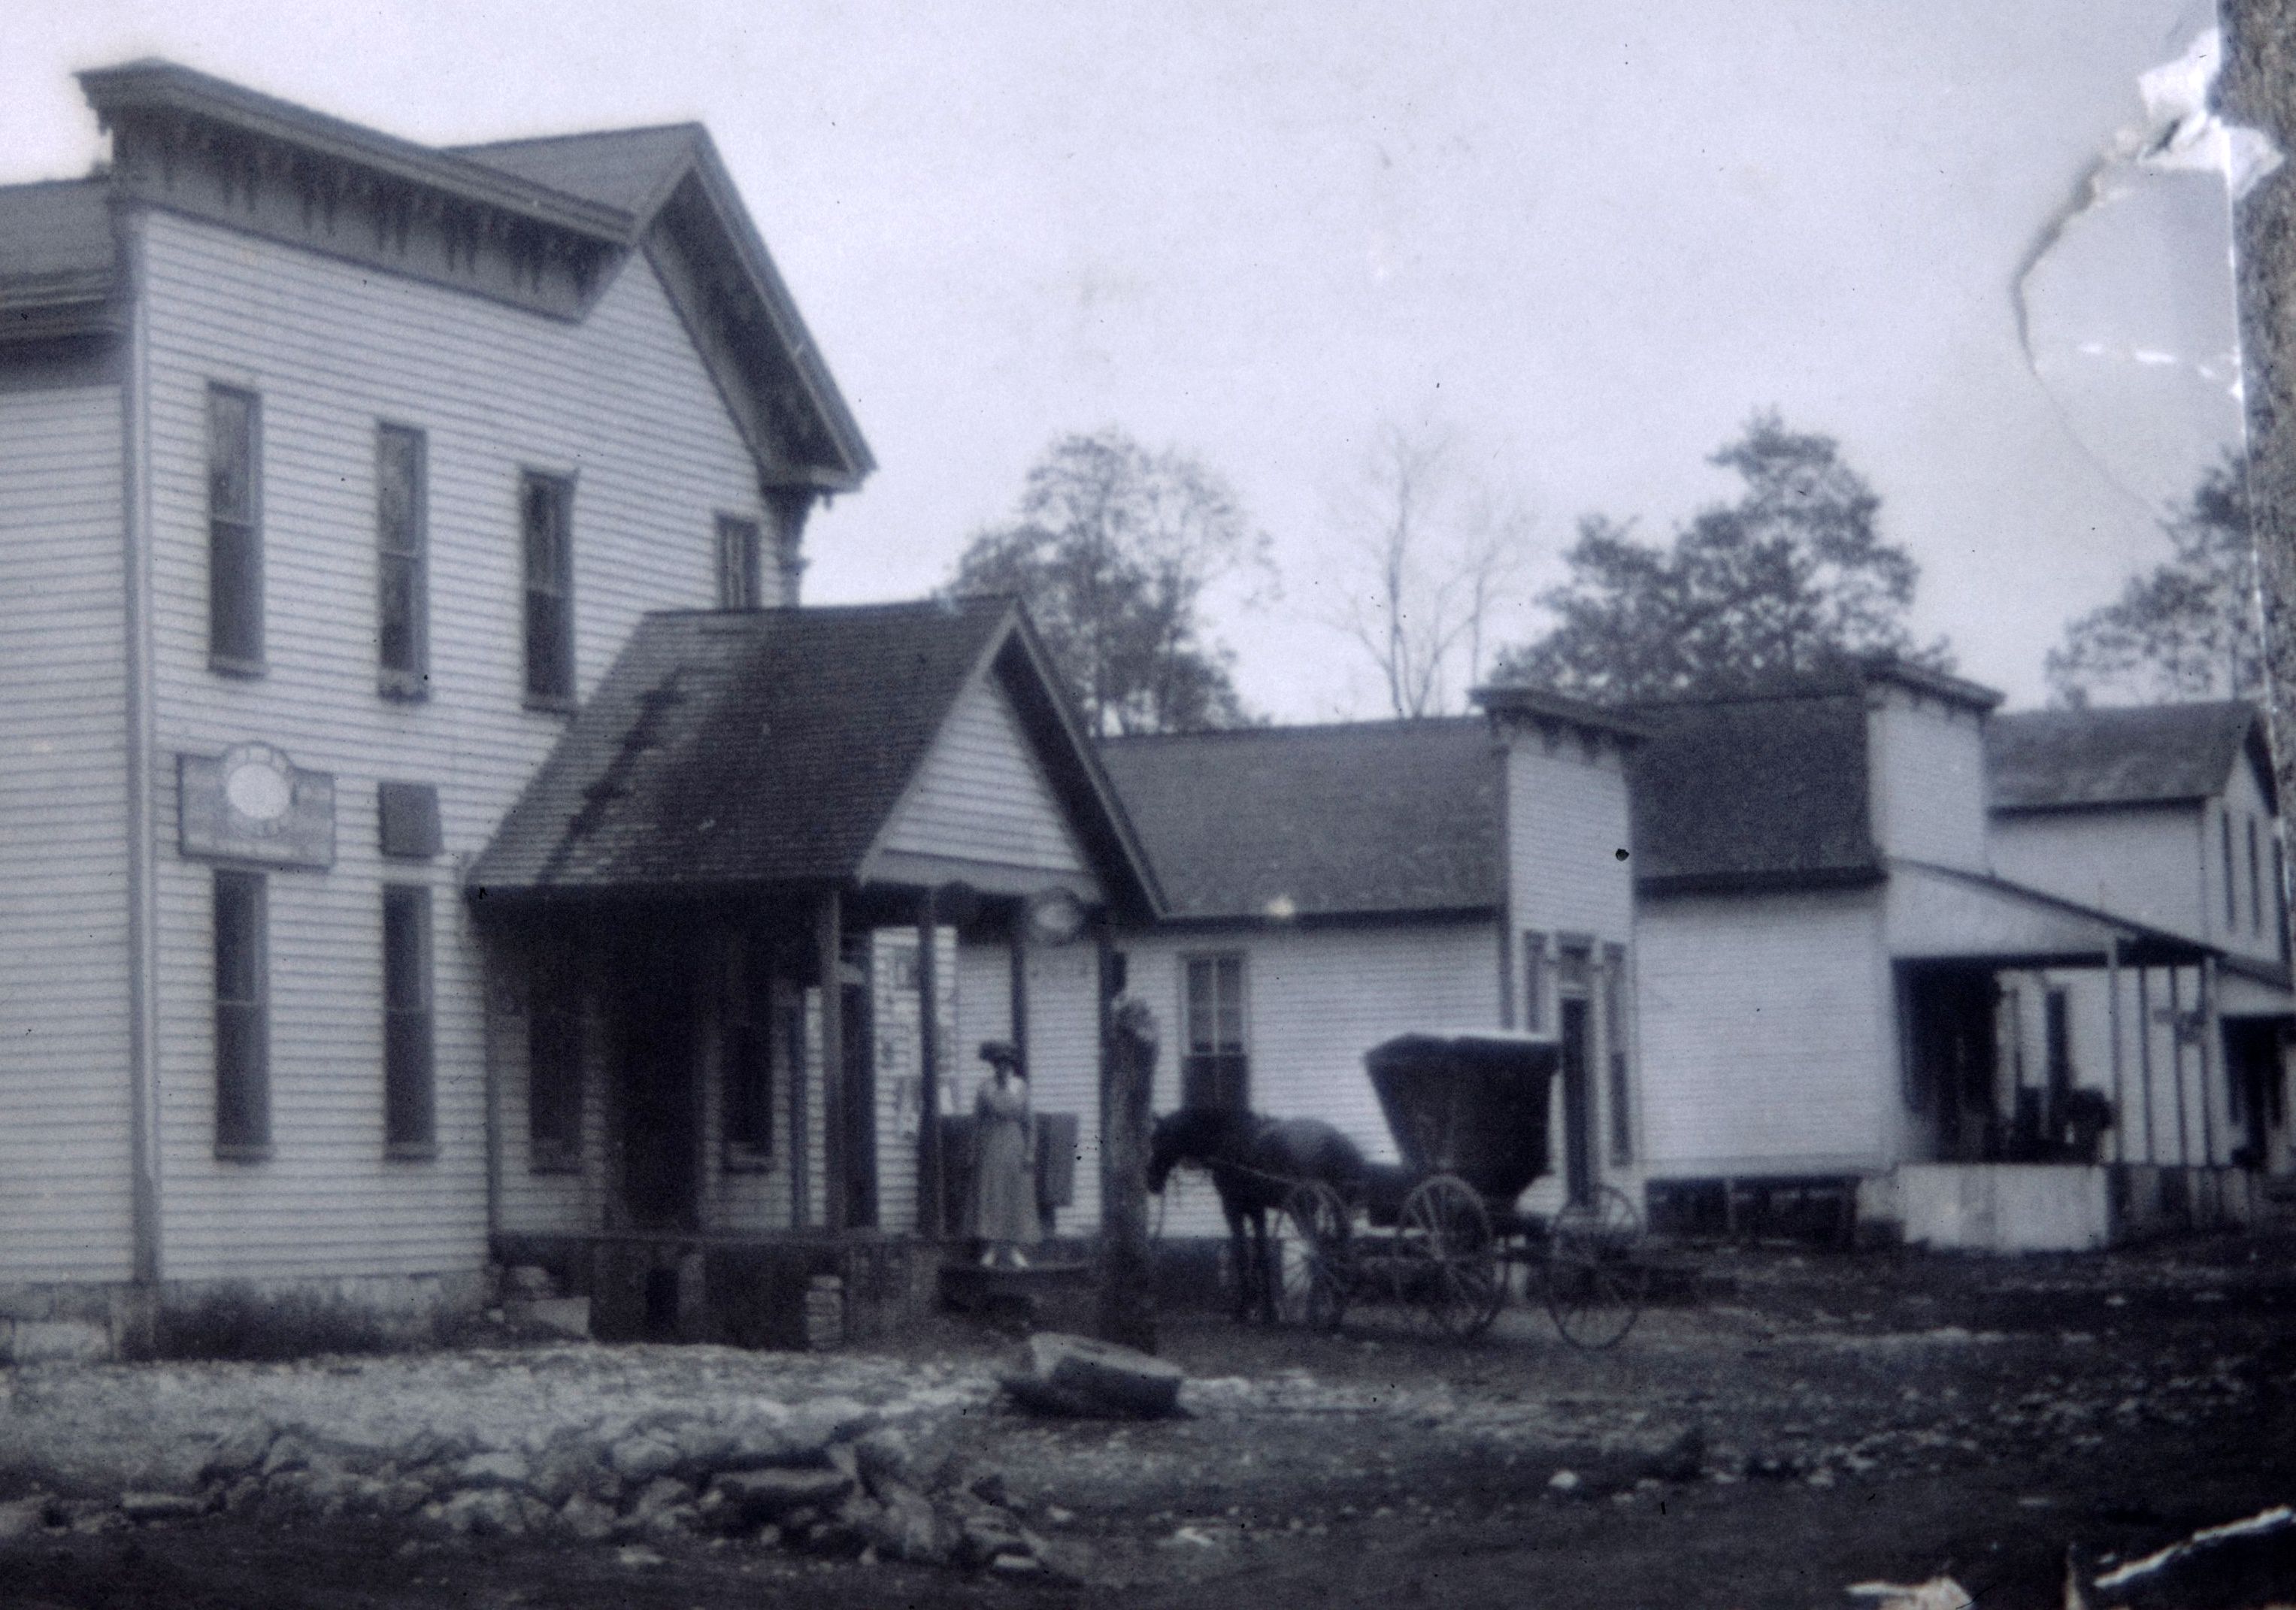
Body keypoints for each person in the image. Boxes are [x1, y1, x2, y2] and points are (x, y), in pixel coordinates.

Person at [971, 1040, 1039, 1268]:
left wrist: (1029, 1152)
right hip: (991, 1144)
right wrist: (974, 1150)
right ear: (994, 1066)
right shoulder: (985, 1088)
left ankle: (1013, 1249)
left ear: (1012, 1066)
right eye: (999, 1064)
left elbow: (1030, 1123)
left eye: (1007, 1064)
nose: (1003, 1068)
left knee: (1015, 1195)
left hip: (1015, 1144)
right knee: (993, 1194)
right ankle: (992, 1248)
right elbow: (977, 1122)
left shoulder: (1021, 1088)